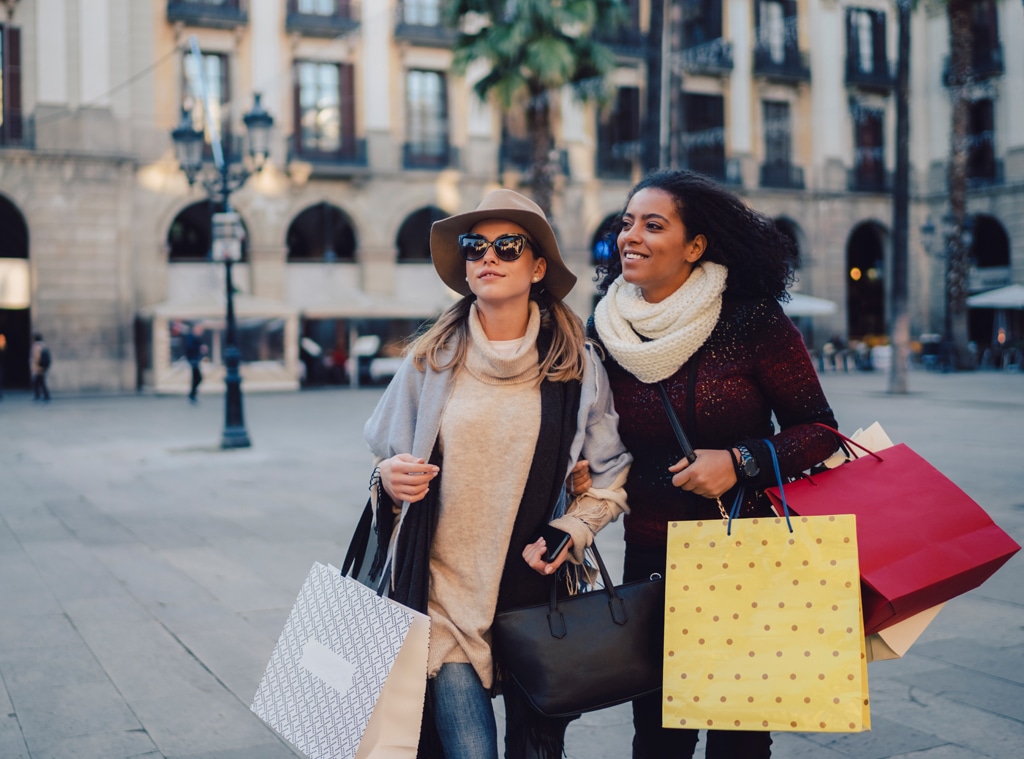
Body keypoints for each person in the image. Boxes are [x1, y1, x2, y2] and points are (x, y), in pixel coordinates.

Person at [363, 189, 631, 759]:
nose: (488, 256)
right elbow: (384, 457)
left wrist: (575, 528)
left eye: (508, 246)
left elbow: (610, 476)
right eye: (475, 246)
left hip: (532, 595)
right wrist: (388, 476)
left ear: (537, 268)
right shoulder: (430, 359)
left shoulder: (577, 366)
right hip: (442, 599)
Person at [589, 170, 840, 759]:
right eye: (627, 223)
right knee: (656, 737)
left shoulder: (750, 321)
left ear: (695, 246)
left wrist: (741, 460)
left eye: (654, 225)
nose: (632, 236)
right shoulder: (605, 330)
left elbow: (822, 430)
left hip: (743, 552)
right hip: (651, 556)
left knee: (739, 740)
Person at [183, 324, 205, 402]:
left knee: (196, 378)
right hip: (193, 360)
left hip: (194, 360)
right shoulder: (192, 337)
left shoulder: (195, 337)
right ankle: (192, 394)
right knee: (197, 378)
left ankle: (192, 394)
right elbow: (190, 348)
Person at [30, 333, 51, 402]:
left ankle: (39, 395)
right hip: (43, 366)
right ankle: (44, 395)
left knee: (38, 382)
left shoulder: (36, 346)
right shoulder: (44, 345)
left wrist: (37, 367)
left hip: (39, 367)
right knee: (40, 381)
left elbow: (36, 357)